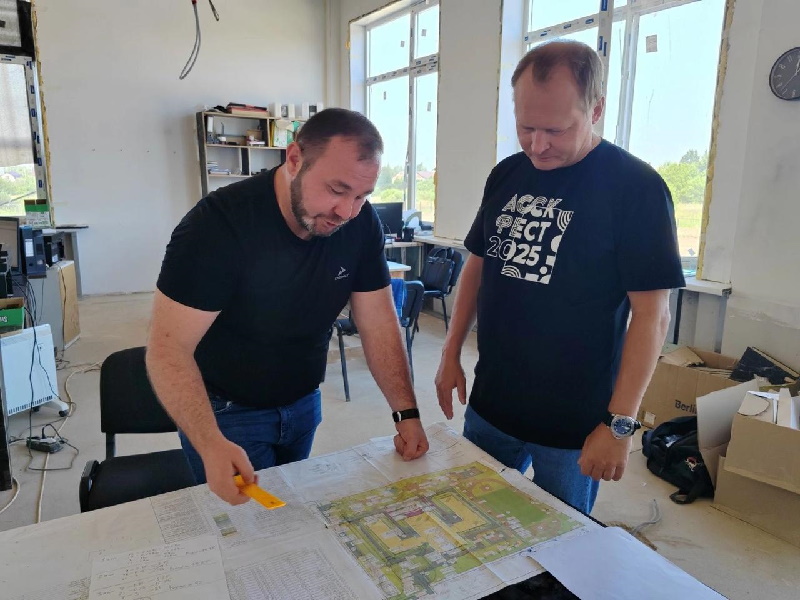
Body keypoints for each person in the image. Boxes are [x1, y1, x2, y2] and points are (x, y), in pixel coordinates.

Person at [435, 40, 685, 514]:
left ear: (596, 111)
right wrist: (450, 354)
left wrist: (619, 425)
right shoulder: (507, 174)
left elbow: (652, 317)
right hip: (491, 406)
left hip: (576, 426)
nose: (537, 145)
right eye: (525, 127)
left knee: (560, 542)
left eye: (555, 129)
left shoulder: (636, 188)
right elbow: (478, 265)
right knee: (473, 519)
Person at [147, 108, 429, 506]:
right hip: (227, 413)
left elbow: (379, 323)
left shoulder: (361, 224)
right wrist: (209, 443)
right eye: (337, 190)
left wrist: (406, 412)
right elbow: (167, 349)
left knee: (291, 517)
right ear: (294, 159)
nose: (346, 212)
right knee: (248, 527)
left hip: (303, 403)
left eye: (362, 195)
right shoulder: (216, 226)